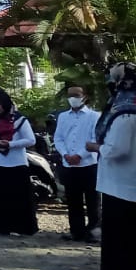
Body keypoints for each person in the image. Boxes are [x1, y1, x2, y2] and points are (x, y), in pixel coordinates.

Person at [86, 62, 136, 270]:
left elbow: (119, 149)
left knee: (123, 241)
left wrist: (97, 147)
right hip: (126, 184)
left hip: (122, 186)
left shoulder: (126, 112)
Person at [0, 88, 38, 236]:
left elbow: (31, 140)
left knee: (18, 198)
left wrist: (11, 144)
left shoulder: (19, 120)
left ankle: (22, 227)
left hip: (16, 164)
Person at [54, 84, 102, 244]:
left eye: (76, 95)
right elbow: (58, 138)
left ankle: (94, 231)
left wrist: (80, 155)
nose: (73, 98)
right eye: (70, 95)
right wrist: (65, 154)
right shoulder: (63, 117)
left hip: (88, 164)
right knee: (73, 200)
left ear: (84, 96)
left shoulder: (94, 116)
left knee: (93, 201)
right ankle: (76, 231)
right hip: (69, 164)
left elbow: (95, 138)